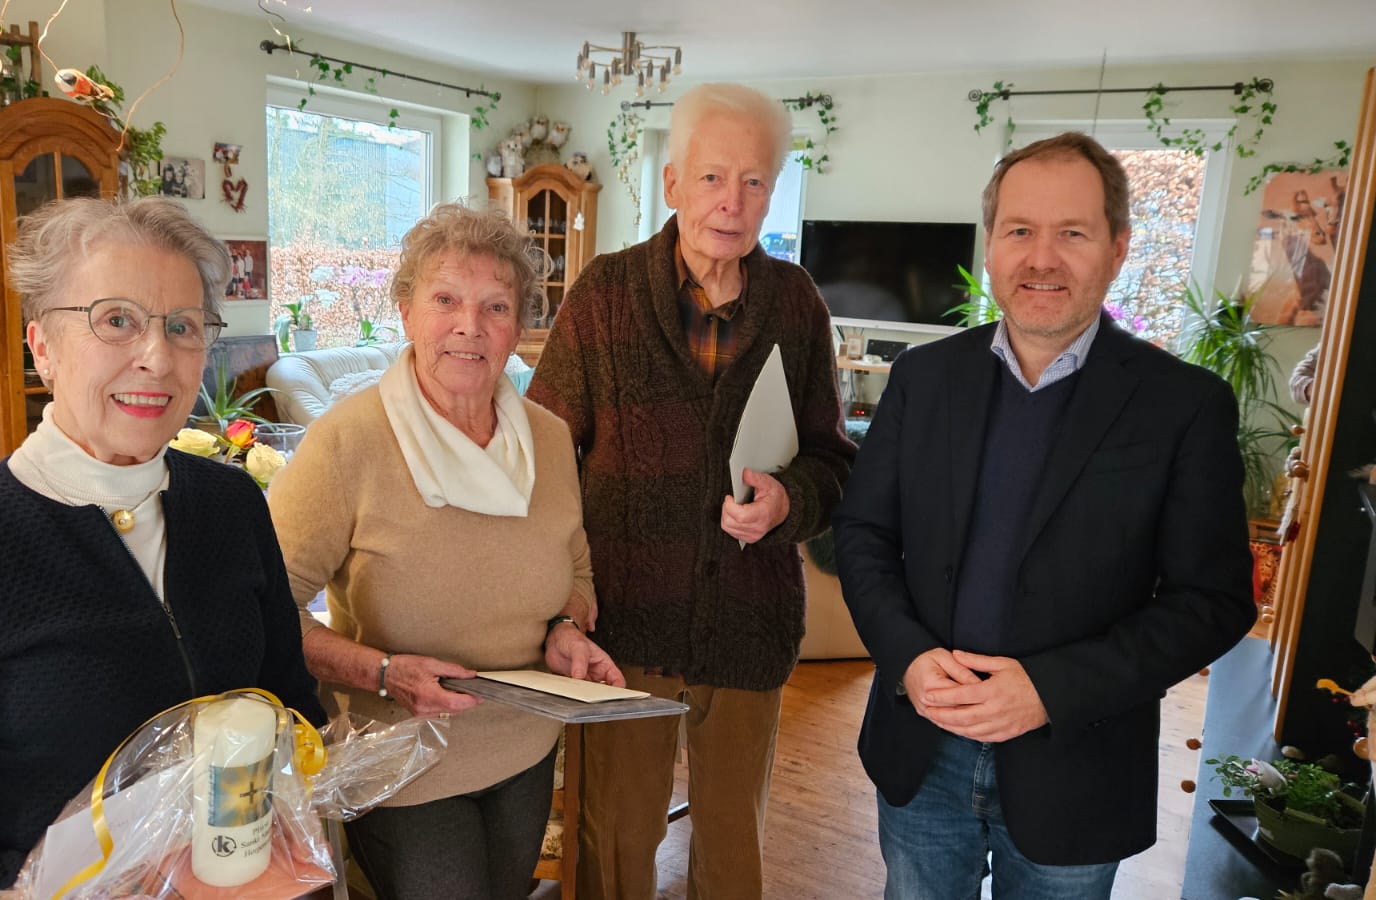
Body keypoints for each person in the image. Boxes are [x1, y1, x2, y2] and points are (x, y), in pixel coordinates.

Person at [0, 197, 327, 890]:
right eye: (116, 320)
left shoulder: (231, 506)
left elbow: (293, 711)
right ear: (41, 345)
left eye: (183, 326)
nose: (157, 357)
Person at [832, 132, 1256, 898]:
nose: (1041, 258)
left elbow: (1214, 601)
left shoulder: (1183, 406)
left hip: (1079, 764)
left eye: (1073, 233)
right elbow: (863, 535)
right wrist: (909, 657)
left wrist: (1049, 690)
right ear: (991, 245)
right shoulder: (923, 379)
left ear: (1118, 248)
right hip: (920, 750)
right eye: (1020, 230)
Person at [525, 83, 854, 900]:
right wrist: (560, 594)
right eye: (712, 178)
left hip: (749, 622)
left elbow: (832, 461)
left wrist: (788, 503)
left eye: (752, 182)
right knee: (615, 848)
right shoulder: (603, 294)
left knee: (732, 849)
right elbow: (538, 454)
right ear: (671, 184)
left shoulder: (798, 306)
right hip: (621, 629)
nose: (731, 203)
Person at [267, 202, 622, 900]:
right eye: (446, 299)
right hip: (400, 757)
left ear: (519, 327)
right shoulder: (348, 442)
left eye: (496, 306)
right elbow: (264, 609)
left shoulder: (548, 440)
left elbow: (575, 566)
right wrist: (382, 671)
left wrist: (567, 626)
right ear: (405, 311)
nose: (470, 325)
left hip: (523, 741)